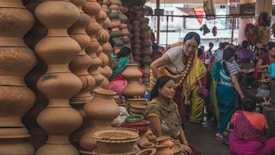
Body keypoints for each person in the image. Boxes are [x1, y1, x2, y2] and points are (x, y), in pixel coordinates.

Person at [150, 32, 207, 123]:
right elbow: (153, 65)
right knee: (162, 113)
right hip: (160, 81)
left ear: (197, 47)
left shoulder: (192, 56)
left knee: (176, 113)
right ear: (183, 43)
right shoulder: (175, 52)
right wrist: (163, 86)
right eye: (188, 45)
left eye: (193, 47)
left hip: (174, 86)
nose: (190, 49)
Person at [144, 75, 201, 155]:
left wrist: (185, 143)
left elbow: (179, 125)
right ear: (159, 89)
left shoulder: (172, 104)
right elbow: (159, 137)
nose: (173, 91)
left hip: (175, 141)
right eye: (169, 87)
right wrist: (179, 146)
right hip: (162, 145)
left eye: (174, 88)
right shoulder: (153, 109)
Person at [214, 47, 245, 141]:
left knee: (222, 109)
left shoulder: (220, 64)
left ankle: (221, 128)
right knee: (230, 110)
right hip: (227, 90)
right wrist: (241, 94)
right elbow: (234, 81)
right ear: (232, 56)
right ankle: (220, 132)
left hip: (219, 88)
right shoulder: (231, 66)